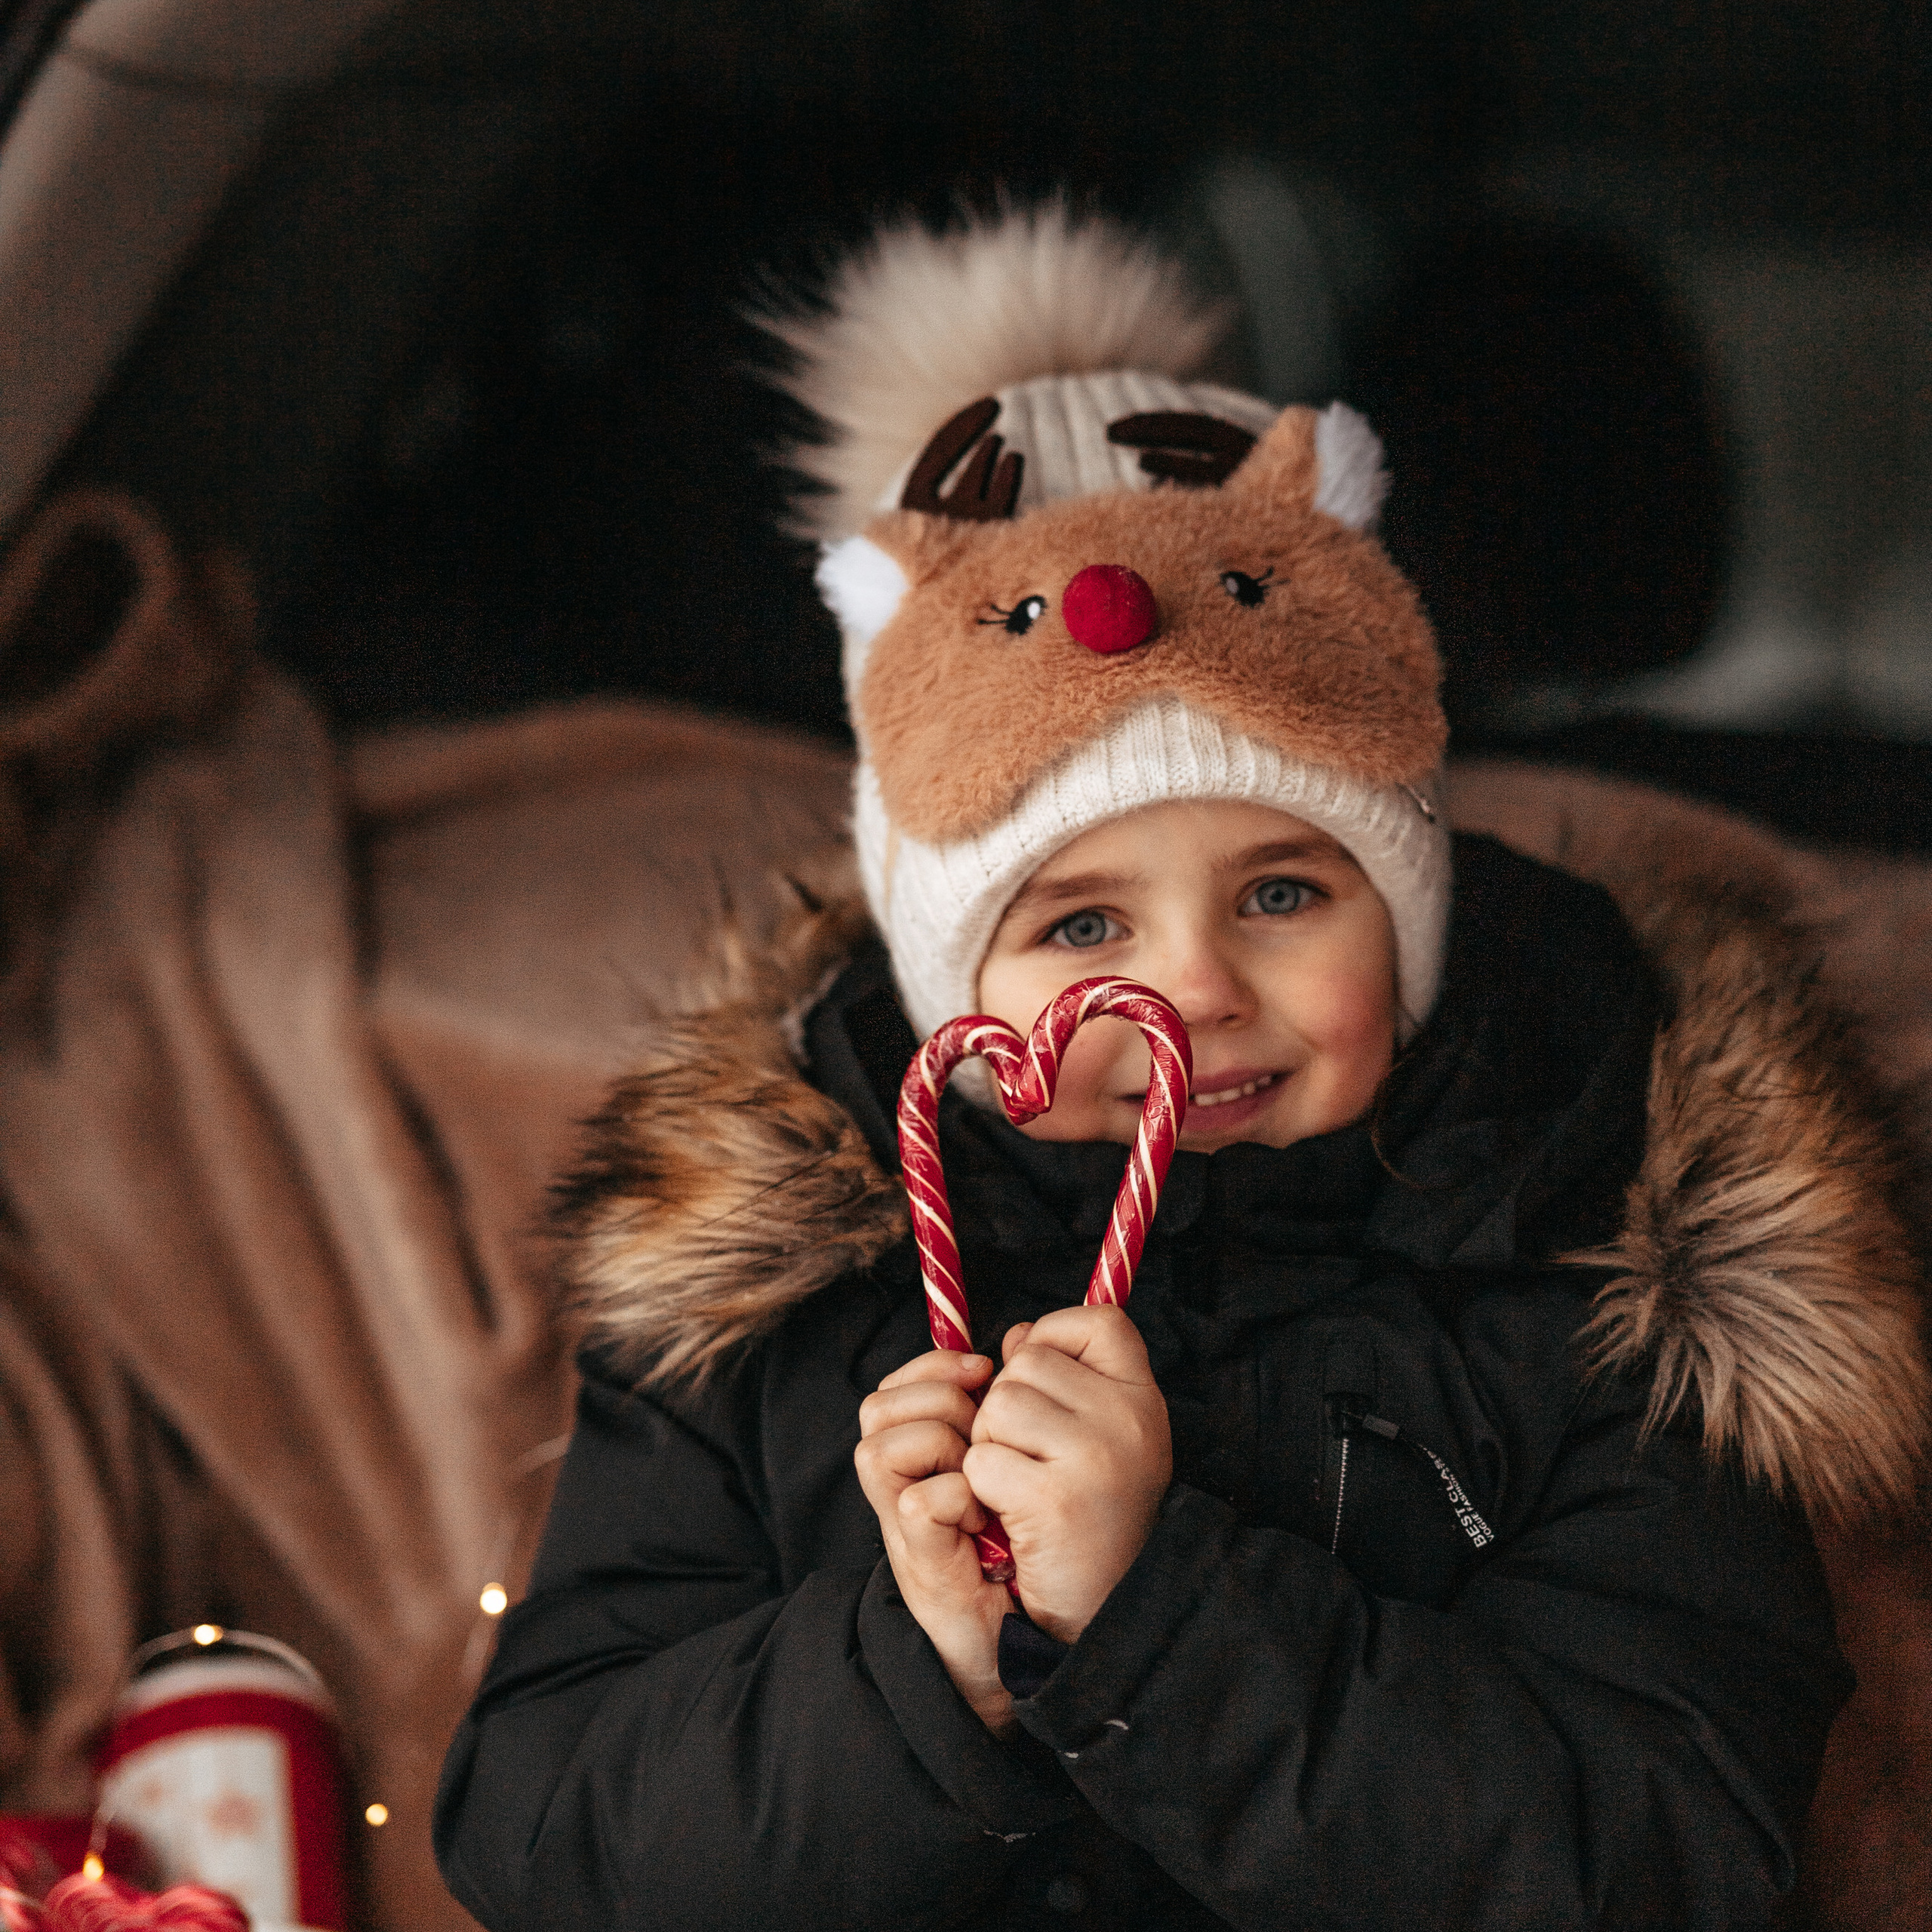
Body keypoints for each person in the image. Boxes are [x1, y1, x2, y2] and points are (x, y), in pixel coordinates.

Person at [432, 207, 1927, 1930]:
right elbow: (538, 1838)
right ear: (947, 987)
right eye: (1077, 925)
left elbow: (1669, 1858)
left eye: (1283, 890)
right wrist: (917, 1667)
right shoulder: (781, 1300)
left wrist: (1157, 1617)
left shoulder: (1597, 1270)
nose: (1191, 986)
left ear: (1408, 914)